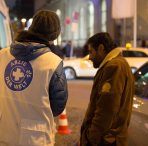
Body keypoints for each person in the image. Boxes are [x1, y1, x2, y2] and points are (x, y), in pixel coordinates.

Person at [0, 10, 68, 146]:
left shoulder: (2, 55)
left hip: (4, 132)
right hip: (36, 137)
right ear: (54, 35)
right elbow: (58, 106)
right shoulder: (53, 63)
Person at [80, 33, 135, 146]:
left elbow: (106, 109)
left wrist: (91, 136)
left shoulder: (114, 66)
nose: (89, 57)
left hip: (106, 140)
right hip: (109, 138)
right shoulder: (117, 63)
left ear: (101, 48)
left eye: (91, 52)